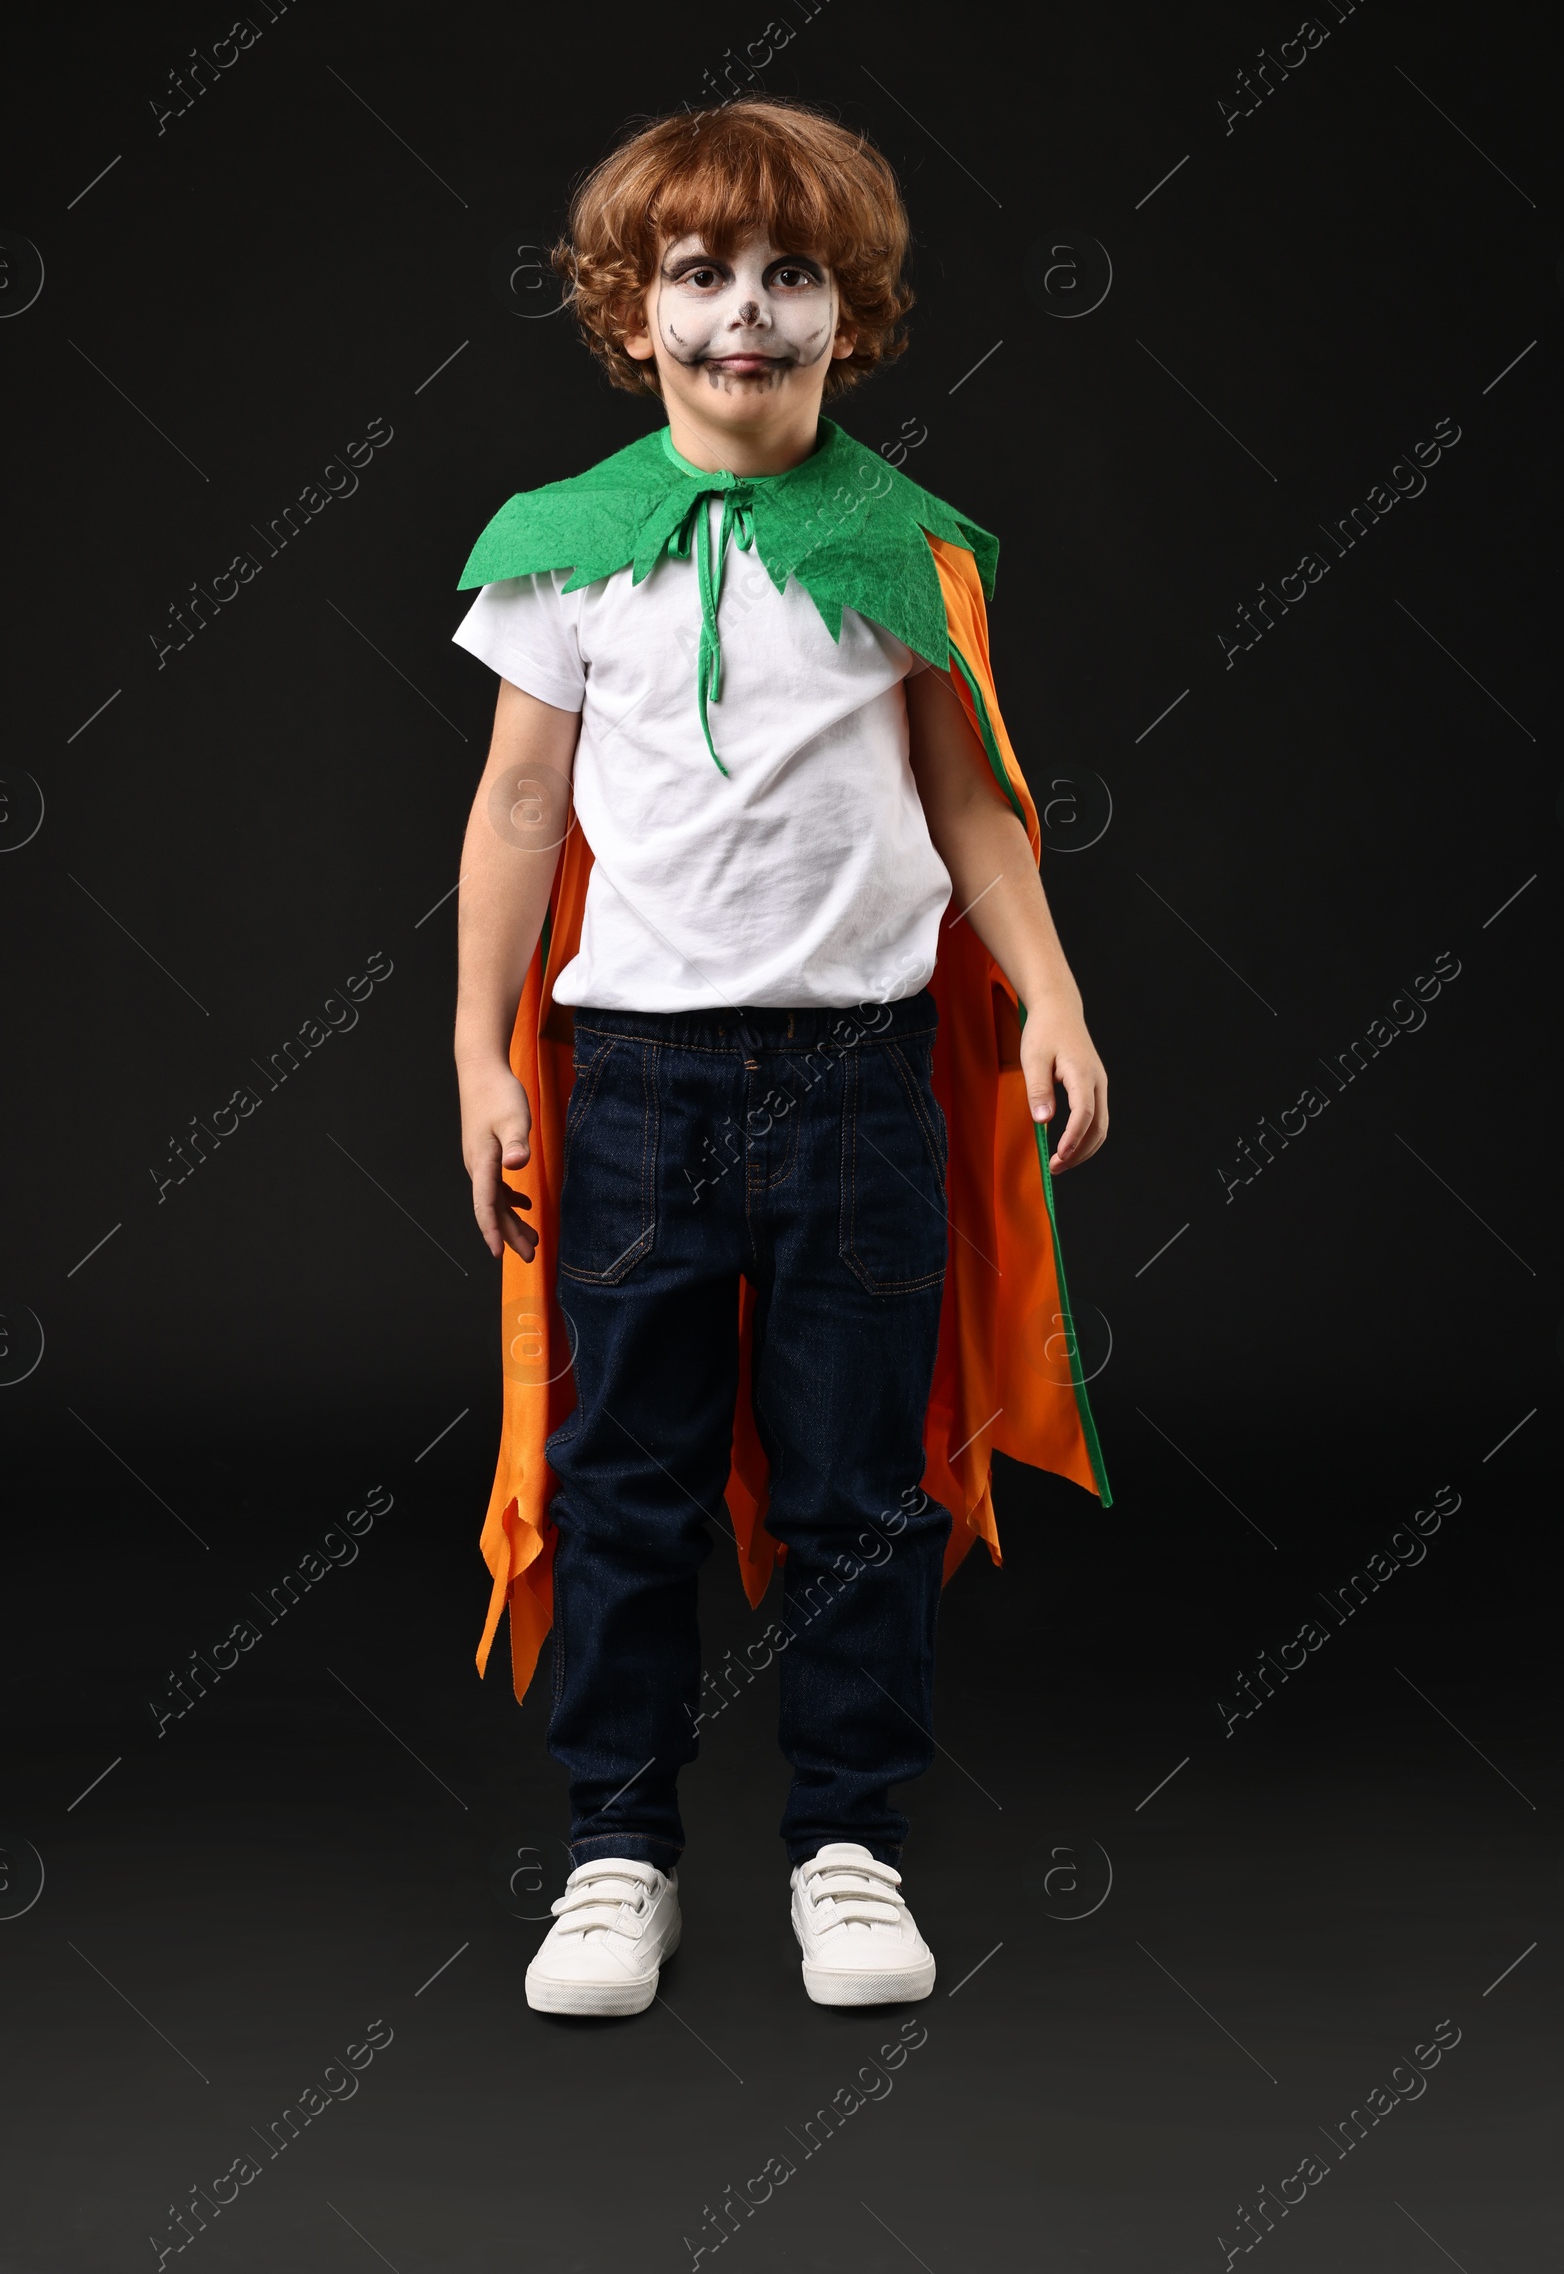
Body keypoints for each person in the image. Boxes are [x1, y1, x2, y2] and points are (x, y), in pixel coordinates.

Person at [450, 98, 1110, 2018]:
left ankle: (849, 1846)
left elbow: (974, 801)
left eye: (791, 274)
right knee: (619, 1481)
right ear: (630, 310)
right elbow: (510, 814)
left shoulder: (905, 552)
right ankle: (613, 1853)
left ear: (856, 310)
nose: (747, 312)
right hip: (640, 1085)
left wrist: (1051, 996)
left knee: (860, 1484)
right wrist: (480, 1062)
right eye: (700, 274)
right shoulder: (566, 556)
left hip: (859, 1090)